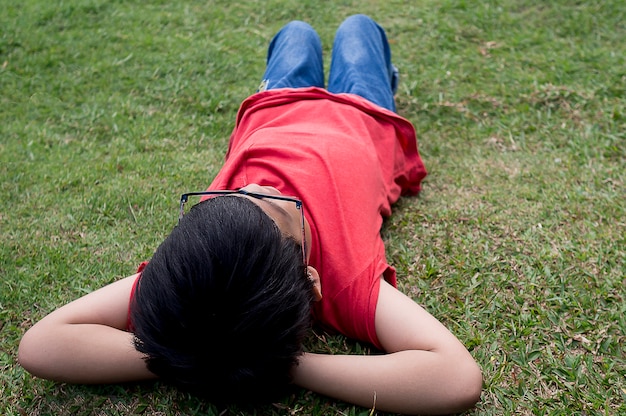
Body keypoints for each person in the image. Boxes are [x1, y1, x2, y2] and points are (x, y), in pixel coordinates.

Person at [18, 15, 482, 415]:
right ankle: (383, 79)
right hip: (362, 115)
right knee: (358, 31)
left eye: (228, 196)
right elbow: (455, 378)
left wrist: (188, 353)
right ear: (311, 279)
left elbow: (41, 344)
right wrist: (273, 360)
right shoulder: (345, 283)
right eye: (278, 208)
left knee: (295, 34)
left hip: (271, 108)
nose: (255, 186)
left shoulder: (198, 270)